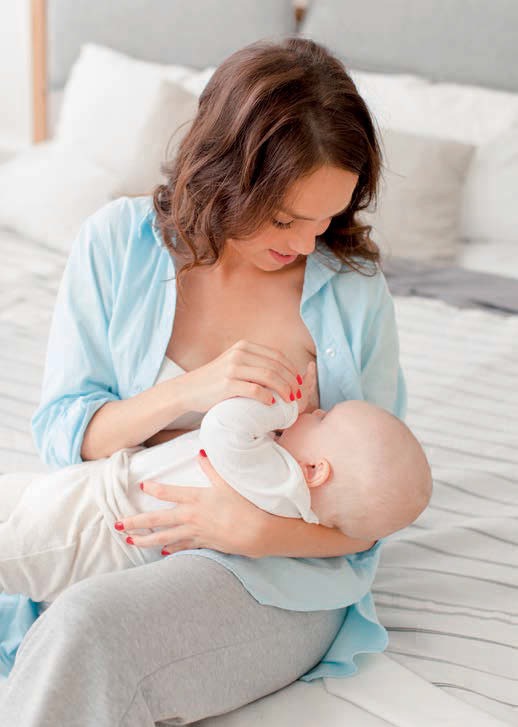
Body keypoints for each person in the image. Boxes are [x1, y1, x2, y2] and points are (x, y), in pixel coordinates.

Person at [0, 36, 409, 725]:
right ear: (226, 175)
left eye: (327, 218)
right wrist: (192, 390)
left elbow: (371, 512)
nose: (306, 244)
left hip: (271, 574)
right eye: (284, 219)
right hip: (111, 527)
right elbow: (67, 435)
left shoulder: (352, 293)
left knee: (85, 627)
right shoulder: (117, 243)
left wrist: (254, 530)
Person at [0, 362, 431, 603]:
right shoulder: (288, 494)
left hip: (93, 528)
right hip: (89, 493)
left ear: (315, 470)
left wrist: (287, 406)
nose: (315, 410)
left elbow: (224, 424)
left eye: (322, 418)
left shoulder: (275, 481)